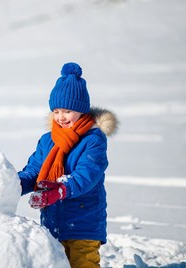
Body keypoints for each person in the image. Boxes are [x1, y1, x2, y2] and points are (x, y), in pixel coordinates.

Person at [18, 62, 118, 268]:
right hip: (53, 222)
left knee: (84, 264)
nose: (61, 117)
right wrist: (14, 184)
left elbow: (87, 175)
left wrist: (61, 190)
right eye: (56, 111)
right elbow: (34, 170)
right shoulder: (48, 140)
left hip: (84, 222)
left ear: (81, 110)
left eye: (67, 111)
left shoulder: (93, 140)